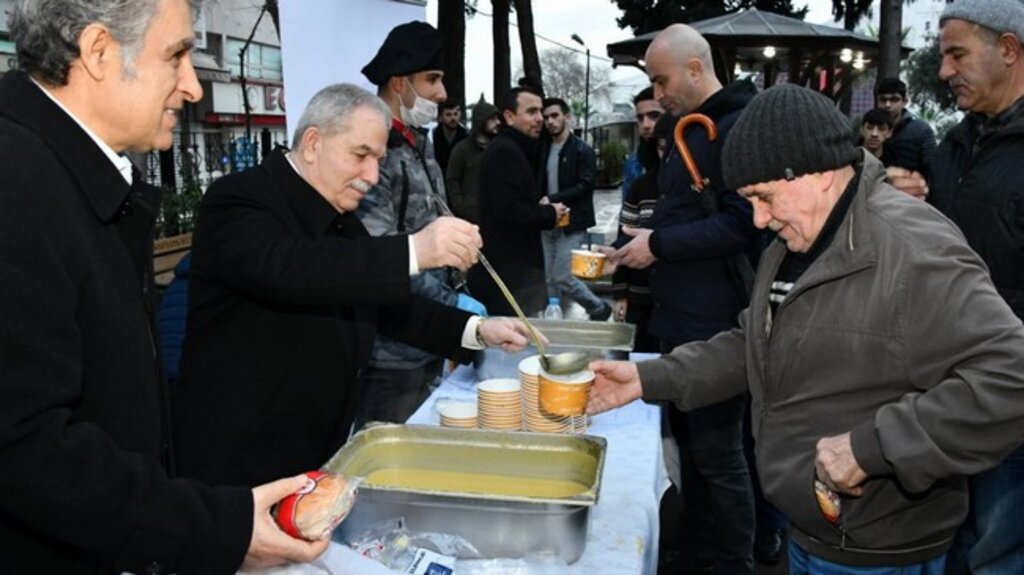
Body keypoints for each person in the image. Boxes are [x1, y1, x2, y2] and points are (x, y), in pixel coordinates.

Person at [588, 82, 1024, 574]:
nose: (757, 218)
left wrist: (873, 447)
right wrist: (652, 378)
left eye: (764, 196)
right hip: (816, 533)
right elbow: (755, 342)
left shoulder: (911, 247)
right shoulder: (800, 235)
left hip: (876, 551)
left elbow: (1012, 376)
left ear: (816, 173)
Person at [0, 0, 330, 571]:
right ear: (99, 51)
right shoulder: (16, 181)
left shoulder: (58, 169)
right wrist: (210, 529)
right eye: (177, 55)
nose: (193, 87)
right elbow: (25, 446)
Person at [173, 84, 530, 488]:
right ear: (312, 144)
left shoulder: (337, 214)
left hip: (314, 447)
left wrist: (476, 330)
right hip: (242, 457)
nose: (372, 177)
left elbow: (383, 301)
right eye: (361, 155)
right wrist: (416, 250)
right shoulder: (238, 199)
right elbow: (291, 271)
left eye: (377, 160)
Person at [612, 23, 759, 574]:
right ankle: (699, 549)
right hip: (683, 316)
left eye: (662, 79)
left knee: (719, 455)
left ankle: (730, 560)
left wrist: (661, 245)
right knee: (695, 452)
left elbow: (743, 224)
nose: (657, 93)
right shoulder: (688, 131)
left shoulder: (736, 128)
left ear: (696, 69)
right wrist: (636, 251)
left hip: (717, 323)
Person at [926, 2, 1024, 572]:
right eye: (943, 57)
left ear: (1008, 51)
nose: (945, 72)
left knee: (998, 549)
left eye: (957, 54)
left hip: (1008, 395)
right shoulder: (955, 146)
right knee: (953, 541)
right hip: (945, 384)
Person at [352, 21, 463, 428]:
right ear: (399, 83)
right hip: (391, 351)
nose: (442, 93)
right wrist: (454, 309)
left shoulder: (419, 140)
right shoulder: (371, 149)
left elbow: (434, 217)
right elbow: (380, 250)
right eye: (432, 80)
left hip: (429, 336)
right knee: (383, 478)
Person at [467, 86, 568, 317]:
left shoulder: (517, 148)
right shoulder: (505, 151)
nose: (540, 119)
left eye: (540, 111)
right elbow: (509, 210)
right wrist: (549, 214)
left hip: (516, 270)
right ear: (509, 117)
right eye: (531, 112)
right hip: (509, 272)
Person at [539, 97, 611, 321]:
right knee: (550, 278)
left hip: (572, 223)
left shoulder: (582, 150)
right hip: (547, 220)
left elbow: (586, 184)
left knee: (562, 275)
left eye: (555, 116)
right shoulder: (543, 149)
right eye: (546, 117)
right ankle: (555, 317)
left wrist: (553, 198)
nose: (550, 121)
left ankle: (598, 307)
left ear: (566, 117)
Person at [610, 112, 676, 352]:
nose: (667, 156)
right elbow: (623, 238)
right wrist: (620, 294)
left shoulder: (697, 190)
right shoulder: (642, 186)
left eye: (673, 150)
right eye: (661, 149)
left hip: (675, 301)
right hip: (639, 297)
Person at [446, 100, 500, 224]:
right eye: (492, 119)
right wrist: (462, 208)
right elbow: (452, 181)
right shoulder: (462, 149)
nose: (498, 122)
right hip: (471, 219)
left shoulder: (500, 148)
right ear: (481, 121)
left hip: (497, 218)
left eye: (497, 118)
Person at [874, 77, 937, 176]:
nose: (887, 105)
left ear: (904, 102)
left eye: (894, 99)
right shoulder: (870, 129)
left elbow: (932, 169)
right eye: (883, 99)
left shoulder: (921, 130)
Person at [621, 87, 665, 201]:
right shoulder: (633, 163)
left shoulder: (686, 157)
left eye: (654, 116)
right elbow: (627, 209)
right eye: (640, 118)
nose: (645, 125)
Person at [432, 100, 468, 177]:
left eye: (455, 114)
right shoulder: (432, 137)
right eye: (448, 115)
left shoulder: (466, 136)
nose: (453, 118)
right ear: (440, 118)